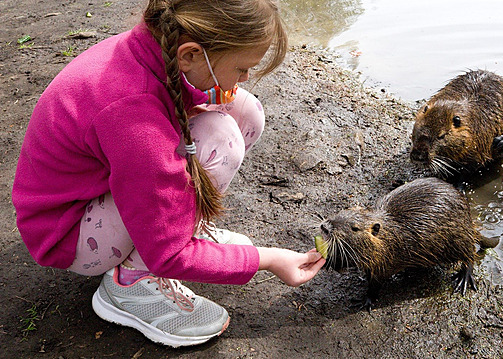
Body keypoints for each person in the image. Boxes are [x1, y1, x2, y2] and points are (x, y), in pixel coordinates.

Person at [12, 0, 325, 347]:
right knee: (221, 139)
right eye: (241, 67)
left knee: (244, 110)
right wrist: (269, 259)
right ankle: (129, 284)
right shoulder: (134, 117)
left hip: (102, 186)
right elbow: (169, 253)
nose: (245, 77)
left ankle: (179, 228)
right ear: (190, 54)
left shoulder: (154, 48)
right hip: (67, 233)